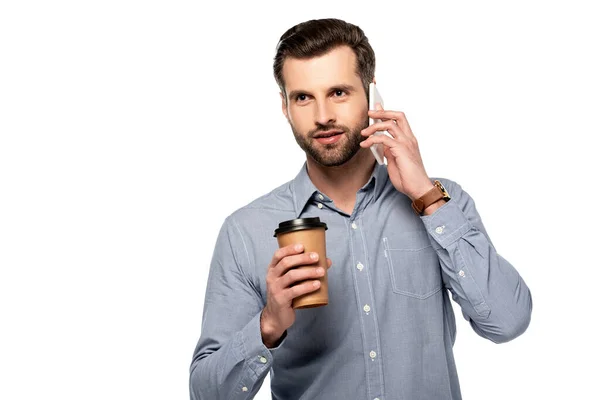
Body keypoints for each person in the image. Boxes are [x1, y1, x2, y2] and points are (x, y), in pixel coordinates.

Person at [189, 18, 532, 400]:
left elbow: (508, 322)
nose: (321, 117)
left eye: (338, 92)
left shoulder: (440, 202)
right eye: (303, 97)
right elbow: (206, 393)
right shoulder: (246, 231)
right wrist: (268, 324)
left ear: (371, 95)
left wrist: (426, 196)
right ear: (285, 106)